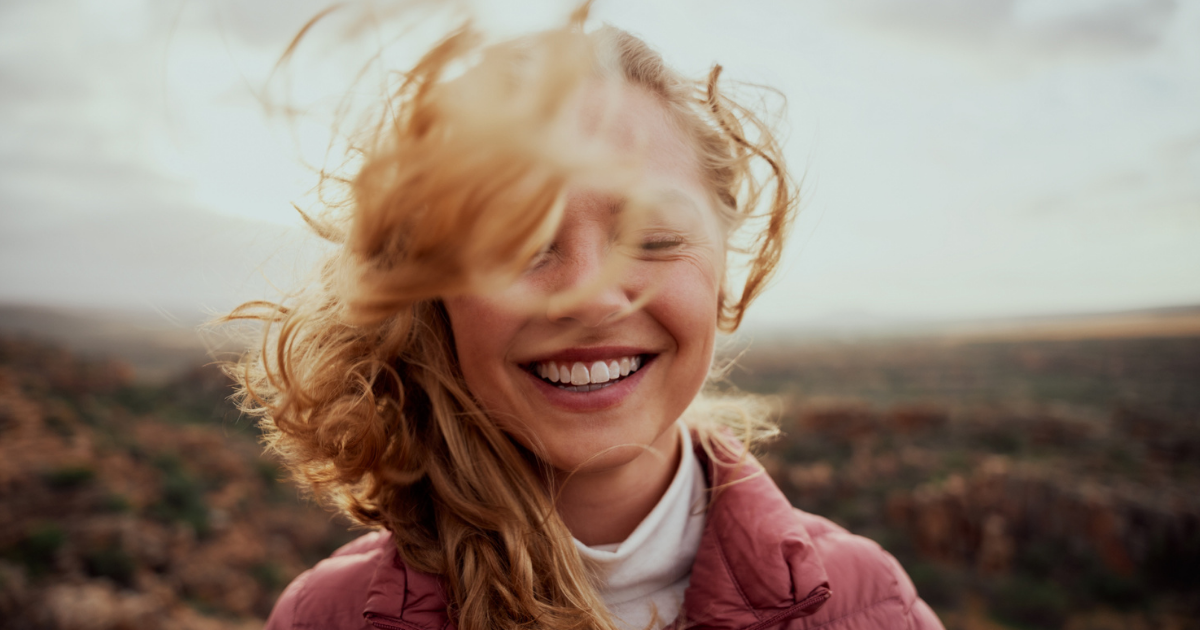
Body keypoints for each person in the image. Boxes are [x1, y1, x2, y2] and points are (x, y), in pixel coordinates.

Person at [224, 5, 942, 630]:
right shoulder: (328, 619)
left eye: (653, 240)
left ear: (725, 276)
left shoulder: (870, 606)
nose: (592, 296)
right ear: (433, 296)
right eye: (519, 245)